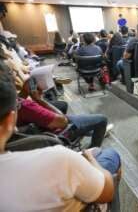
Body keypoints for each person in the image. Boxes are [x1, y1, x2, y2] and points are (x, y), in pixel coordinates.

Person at [0, 61, 121, 210]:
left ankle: (88, 132)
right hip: (60, 131)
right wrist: (88, 157)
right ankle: (94, 146)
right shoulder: (59, 159)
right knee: (107, 137)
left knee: (62, 105)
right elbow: (62, 121)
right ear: (10, 119)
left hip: (39, 131)